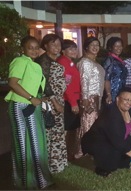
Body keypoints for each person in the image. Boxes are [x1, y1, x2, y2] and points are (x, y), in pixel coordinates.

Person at [6, 36, 53, 189]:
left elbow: (33, 85)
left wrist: (40, 97)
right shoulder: (19, 61)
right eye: (29, 47)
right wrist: (31, 98)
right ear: (23, 49)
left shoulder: (35, 65)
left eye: (36, 47)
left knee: (36, 142)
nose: (33, 50)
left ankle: (40, 180)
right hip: (20, 105)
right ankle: (26, 182)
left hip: (33, 105)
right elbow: (12, 83)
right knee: (22, 144)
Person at [81, 88, 131, 177]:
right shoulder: (111, 113)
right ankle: (102, 168)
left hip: (117, 139)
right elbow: (117, 140)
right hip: (98, 141)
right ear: (118, 99)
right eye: (126, 99)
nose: (129, 103)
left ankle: (122, 164)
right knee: (112, 147)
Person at [35, 34, 68, 174]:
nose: (57, 47)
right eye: (53, 44)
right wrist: (55, 103)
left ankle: (59, 163)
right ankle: (50, 166)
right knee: (51, 133)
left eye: (58, 44)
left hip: (58, 99)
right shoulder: (44, 61)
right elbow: (44, 85)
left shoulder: (55, 60)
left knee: (58, 133)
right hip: (50, 102)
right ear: (45, 45)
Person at [76, 37, 105, 159]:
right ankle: (84, 151)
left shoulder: (94, 61)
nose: (95, 47)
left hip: (96, 97)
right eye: (92, 45)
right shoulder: (85, 62)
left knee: (93, 124)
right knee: (88, 124)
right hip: (89, 99)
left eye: (97, 45)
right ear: (86, 47)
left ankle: (92, 149)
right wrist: (86, 100)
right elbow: (84, 81)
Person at [58, 40, 81, 132]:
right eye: (70, 49)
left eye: (75, 49)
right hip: (68, 100)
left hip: (73, 98)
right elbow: (66, 84)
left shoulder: (70, 62)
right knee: (68, 129)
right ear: (63, 50)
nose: (74, 51)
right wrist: (73, 103)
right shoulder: (64, 62)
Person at [103, 37, 127, 106]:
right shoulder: (109, 60)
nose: (119, 48)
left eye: (120, 46)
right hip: (113, 93)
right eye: (116, 46)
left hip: (120, 91)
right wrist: (108, 94)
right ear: (110, 47)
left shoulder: (119, 60)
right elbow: (106, 79)